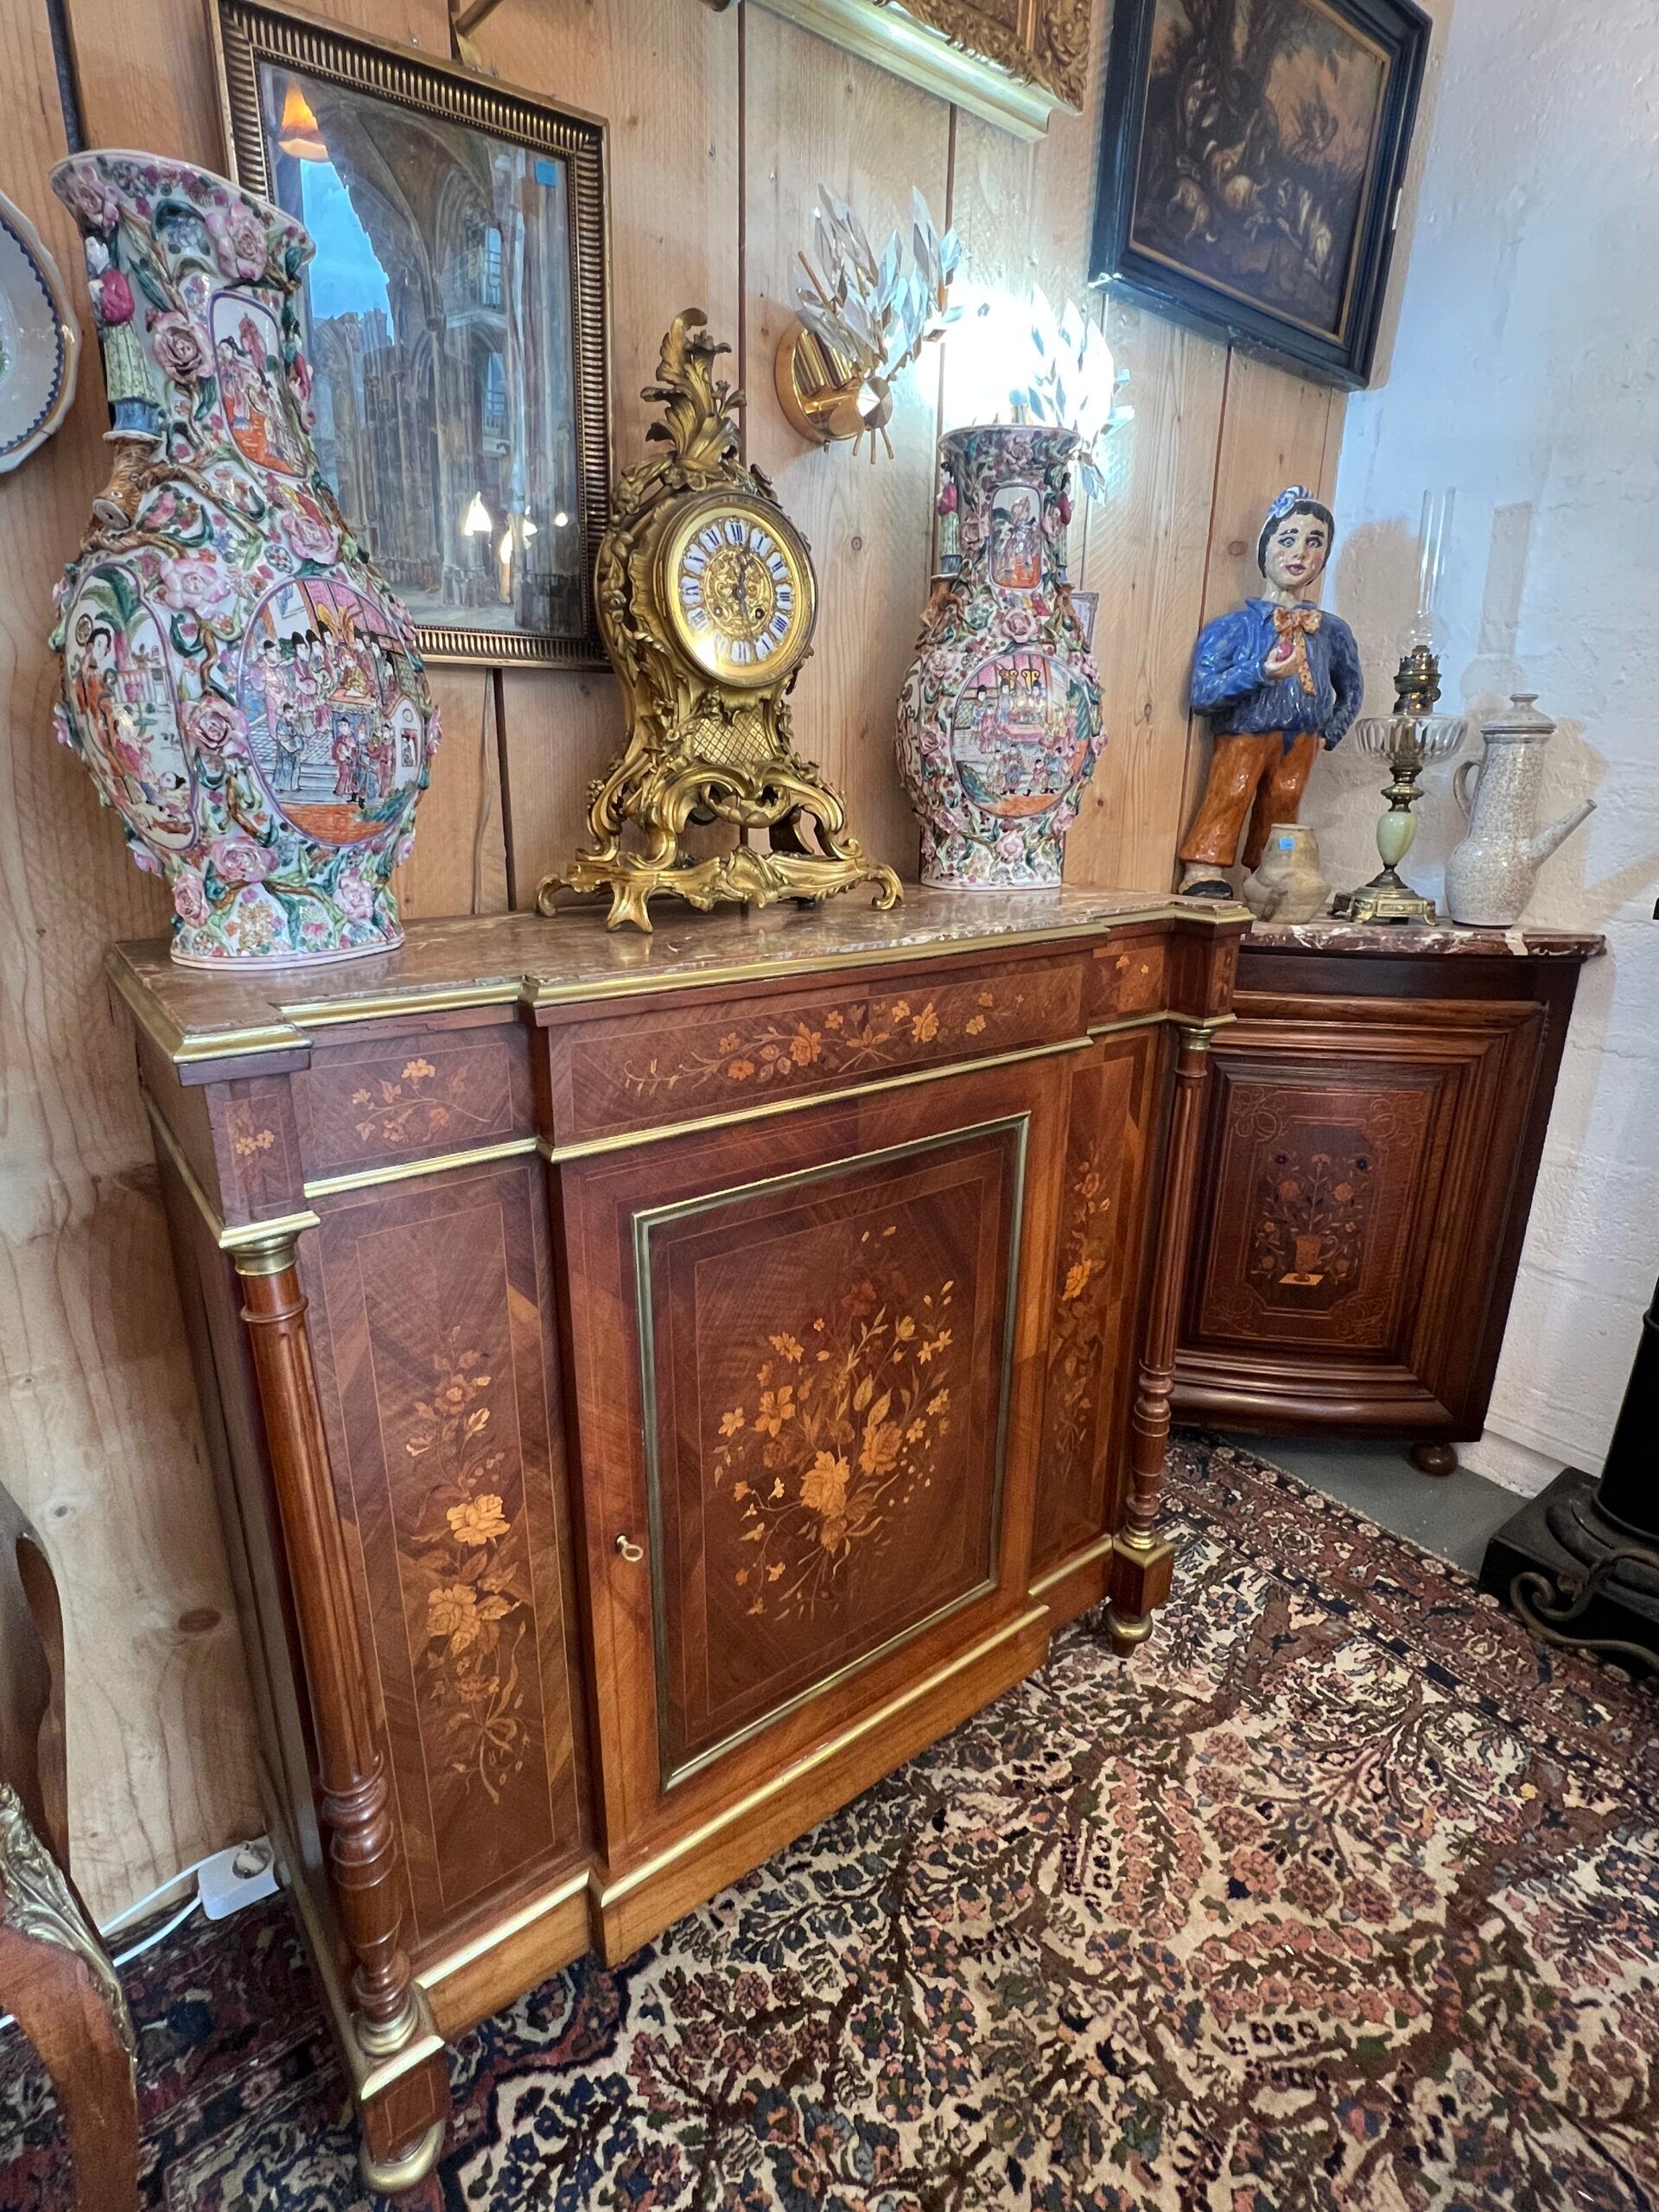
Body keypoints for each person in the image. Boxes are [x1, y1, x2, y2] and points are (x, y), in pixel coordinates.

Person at [1179, 485, 1362, 896]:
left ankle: (1271, 871)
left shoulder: (1331, 631)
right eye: (1288, 539)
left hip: (1301, 738)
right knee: (1233, 789)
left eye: (1314, 542)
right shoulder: (1232, 629)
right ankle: (1205, 867)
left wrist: (1328, 733)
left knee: (1285, 804)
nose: (1299, 553)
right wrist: (1258, 672)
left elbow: (1351, 689)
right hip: (1246, 731)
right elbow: (1204, 692)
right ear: (1266, 549)